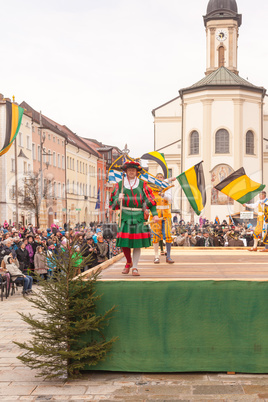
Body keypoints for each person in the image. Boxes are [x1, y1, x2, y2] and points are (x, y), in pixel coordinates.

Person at [110, 160, 159, 276]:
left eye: (133, 170)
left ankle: (135, 267)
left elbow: (151, 200)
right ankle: (128, 262)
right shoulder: (119, 185)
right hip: (125, 216)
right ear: (126, 171)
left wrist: (155, 214)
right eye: (129, 170)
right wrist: (118, 199)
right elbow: (112, 204)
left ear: (137, 172)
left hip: (138, 217)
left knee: (137, 243)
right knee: (124, 243)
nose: (131, 172)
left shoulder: (143, 185)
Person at [149, 173, 176, 264]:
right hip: (155, 216)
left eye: (161, 178)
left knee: (168, 235)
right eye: (158, 178)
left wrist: (163, 195)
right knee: (155, 236)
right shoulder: (152, 190)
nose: (159, 179)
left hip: (166, 215)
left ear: (163, 179)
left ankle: (168, 256)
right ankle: (156, 256)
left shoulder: (167, 188)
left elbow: (171, 200)